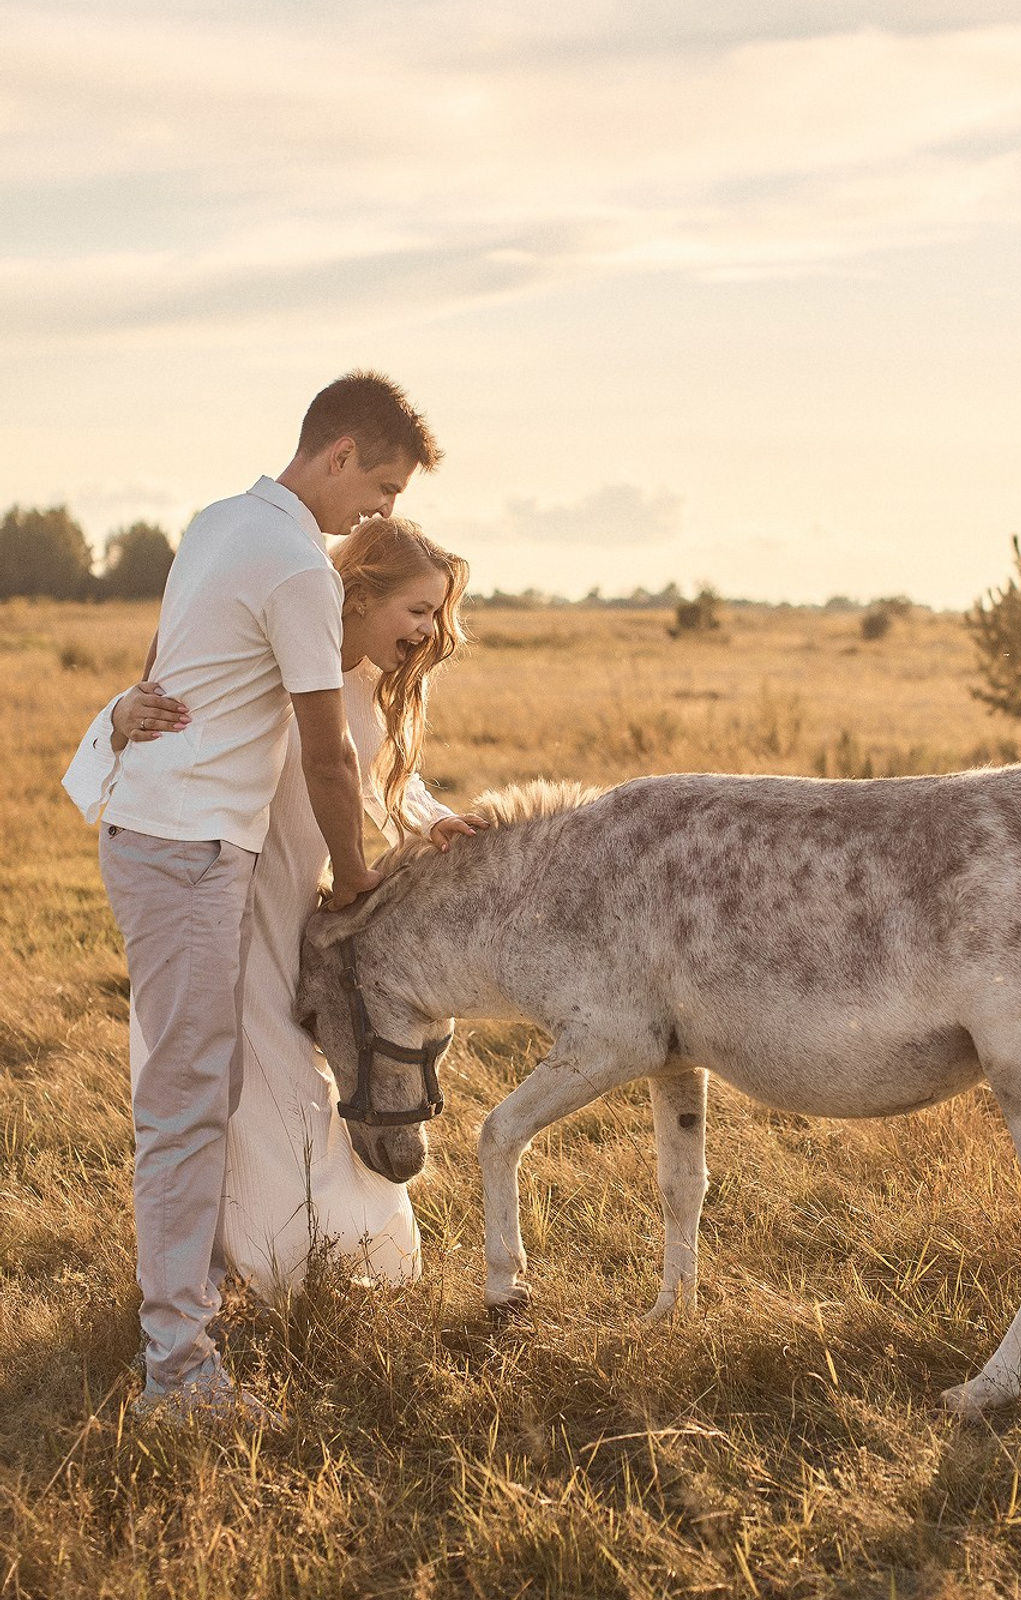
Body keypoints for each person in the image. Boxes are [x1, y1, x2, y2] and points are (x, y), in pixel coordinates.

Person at [62, 372, 440, 1424]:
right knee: (185, 1109)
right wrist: (359, 880)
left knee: (200, 1091)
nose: (384, 510)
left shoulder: (218, 523)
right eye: (380, 484)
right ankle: (179, 1376)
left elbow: (160, 665)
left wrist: (131, 710)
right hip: (187, 852)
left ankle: (200, 1300)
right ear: (335, 454)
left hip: (166, 838)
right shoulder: (295, 567)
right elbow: (325, 756)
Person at [71, 516, 484, 1315]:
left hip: (294, 917)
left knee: (303, 1078)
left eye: (438, 614)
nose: (432, 631)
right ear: (358, 594)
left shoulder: (359, 689)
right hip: (223, 899)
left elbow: (385, 782)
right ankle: (257, 1259)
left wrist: (431, 819)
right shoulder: (271, 666)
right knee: (251, 1088)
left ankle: (319, 1245)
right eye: (418, 610)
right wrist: (124, 714)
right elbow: (182, 708)